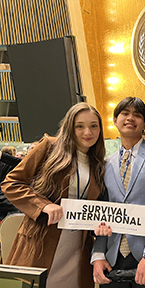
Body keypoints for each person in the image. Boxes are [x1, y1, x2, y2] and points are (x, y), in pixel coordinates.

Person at [2, 103, 106, 288]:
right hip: (42, 240)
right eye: (79, 126)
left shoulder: (98, 163)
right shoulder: (50, 146)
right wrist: (43, 205)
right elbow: (11, 183)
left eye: (93, 125)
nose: (87, 132)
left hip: (77, 247)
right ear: (69, 127)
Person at [92, 97, 145, 288]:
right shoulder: (107, 164)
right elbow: (103, 212)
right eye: (125, 113)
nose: (130, 118)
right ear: (115, 120)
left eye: (137, 115)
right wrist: (98, 254)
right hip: (113, 258)